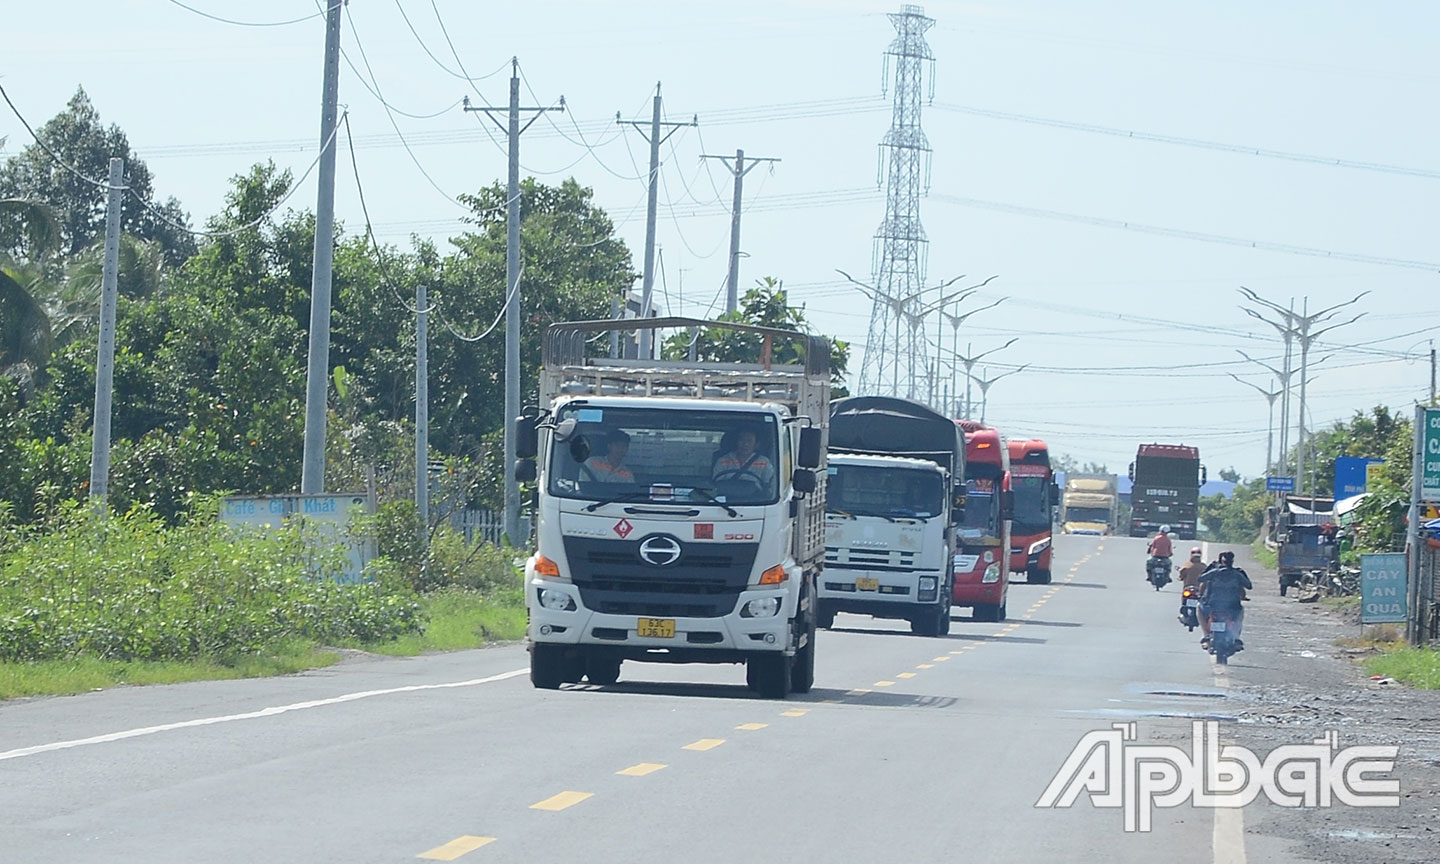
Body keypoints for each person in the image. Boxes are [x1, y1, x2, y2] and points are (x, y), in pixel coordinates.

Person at [1198, 550, 1252, 652]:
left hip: (1212, 604)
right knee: (1239, 616)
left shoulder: (1214, 572)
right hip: (1233, 605)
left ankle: (1206, 636)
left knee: (1199, 609)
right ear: (1232, 561)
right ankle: (1236, 637)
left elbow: (1200, 579)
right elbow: (1249, 586)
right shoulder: (1237, 573)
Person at [1178, 546, 1207, 628]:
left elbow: (1181, 575)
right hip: (1199, 590)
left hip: (1188, 588)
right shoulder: (1204, 567)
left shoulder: (1187, 565)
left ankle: (1183, 612)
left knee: (1184, 599)